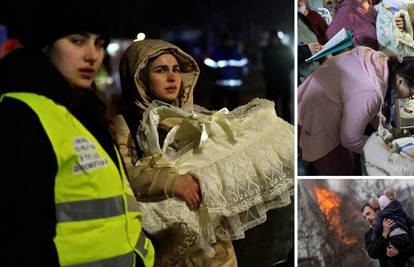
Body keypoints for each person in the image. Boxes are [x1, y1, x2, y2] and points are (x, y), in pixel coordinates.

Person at [112, 39, 293, 266]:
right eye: (160, 70)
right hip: (170, 244)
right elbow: (125, 176)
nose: (172, 77)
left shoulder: (193, 117)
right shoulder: (125, 124)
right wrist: (172, 182)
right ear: (139, 77)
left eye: (176, 69)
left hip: (216, 244)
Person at [0, 2, 154, 266]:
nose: (92, 55)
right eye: (77, 41)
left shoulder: (84, 111)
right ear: (46, 45)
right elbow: (20, 234)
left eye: (99, 43)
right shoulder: (20, 115)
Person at [298, 46, 414, 175]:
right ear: (401, 81)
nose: (409, 97)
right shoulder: (370, 91)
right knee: (344, 170)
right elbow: (350, 139)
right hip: (315, 120)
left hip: (312, 98)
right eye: (412, 94)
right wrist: (383, 150)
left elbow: (365, 106)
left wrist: (384, 129)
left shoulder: (379, 62)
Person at [204, 33, 248, 111]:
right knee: (216, 110)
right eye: (226, 41)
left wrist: (243, 74)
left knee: (234, 110)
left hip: (234, 88)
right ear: (222, 41)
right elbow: (208, 64)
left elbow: (245, 66)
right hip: (219, 86)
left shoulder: (237, 54)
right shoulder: (216, 53)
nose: (228, 42)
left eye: (229, 41)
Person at [371, 193, 414, 263]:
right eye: (365, 217)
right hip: (403, 237)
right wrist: (384, 234)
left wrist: (398, 252)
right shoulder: (400, 213)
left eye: (377, 208)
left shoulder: (381, 218)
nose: (368, 218)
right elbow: (373, 253)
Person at [261, 29, 293, 122]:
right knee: (272, 107)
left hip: (283, 81)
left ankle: (287, 125)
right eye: (272, 38)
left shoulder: (285, 49)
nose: (274, 40)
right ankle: (274, 126)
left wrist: (284, 70)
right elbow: (263, 65)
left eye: (275, 38)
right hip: (271, 82)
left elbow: (291, 63)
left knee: (285, 106)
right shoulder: (266, 50)